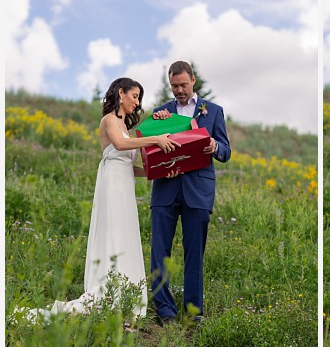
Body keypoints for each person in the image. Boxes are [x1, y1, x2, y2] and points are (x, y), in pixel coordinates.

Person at [17, 78, 179, 322]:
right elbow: (120, 144)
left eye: (139, 98)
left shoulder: (126, 125)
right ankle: (107, 288)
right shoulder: (109, 121)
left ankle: (126, 291)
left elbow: (131, 167)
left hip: (124, 184)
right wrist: (156, 139)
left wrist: (162, 170)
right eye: (134, 96)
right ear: (120, 93)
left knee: (125, 234)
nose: (137, 102)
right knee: (113, 232)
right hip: (111, 185)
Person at [150, 61, 231, 325]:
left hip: (198, 190)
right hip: (166, 189)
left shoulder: (214, 111)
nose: (179, 90)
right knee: (160, 250)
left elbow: (226, 152)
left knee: (194, 252)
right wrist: (154, 123)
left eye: (183, 85)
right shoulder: (160, 112)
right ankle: (164, 309)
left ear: (193, 80)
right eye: (174, 86)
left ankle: (194, 311)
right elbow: (150, 147)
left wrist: (213, 146)